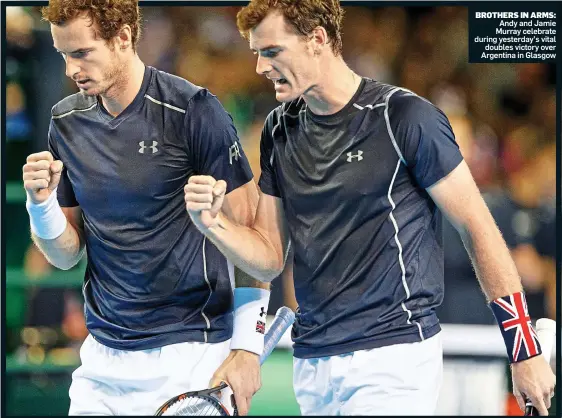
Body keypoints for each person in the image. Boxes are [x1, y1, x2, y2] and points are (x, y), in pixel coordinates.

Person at [184, 0, 556, 415]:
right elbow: (269, 258)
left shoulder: (405, 117)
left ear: (317, 40)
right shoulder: (278, 129)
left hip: (394, 356)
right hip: (313, 363)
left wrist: (524, 348)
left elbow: (477, 226)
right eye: (257, 53)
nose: (260, 68)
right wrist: (214, 225)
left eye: (271, 52)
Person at [22, 0, 270, 415]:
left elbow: (254, 242)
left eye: (82, 53)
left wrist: (247, 347)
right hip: (101, 357)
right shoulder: (64, 122)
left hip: (190, 354)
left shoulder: (195, 111)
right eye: (63, 55)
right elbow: (65, 255)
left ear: (122, 38)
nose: (71, 70)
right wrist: (40, 204)